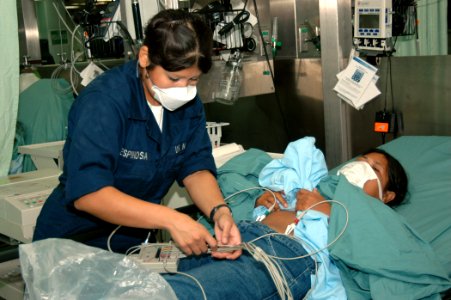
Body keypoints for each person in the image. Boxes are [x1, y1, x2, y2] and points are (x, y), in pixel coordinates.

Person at [33, 9, 241, 259]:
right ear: (145, 57)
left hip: (130, 243)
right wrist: (171, 219)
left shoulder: (187, 104)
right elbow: (89, 193)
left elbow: (195, 167)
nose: (182, 90)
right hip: (72, 243)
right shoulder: (104, 102)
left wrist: (220, 212)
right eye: (173, 78)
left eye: (193, 80)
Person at [161, 149, 409, 299]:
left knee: (181, 292)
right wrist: (259, 195)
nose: (361, 167)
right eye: (361, 160)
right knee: (150, 277)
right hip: (239, 238)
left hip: (286, 256)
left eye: (374, 168)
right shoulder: (315, 181)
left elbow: (389, 263)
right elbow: (228, 174)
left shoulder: (380, 217)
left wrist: (329, 211)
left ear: (387, 196)